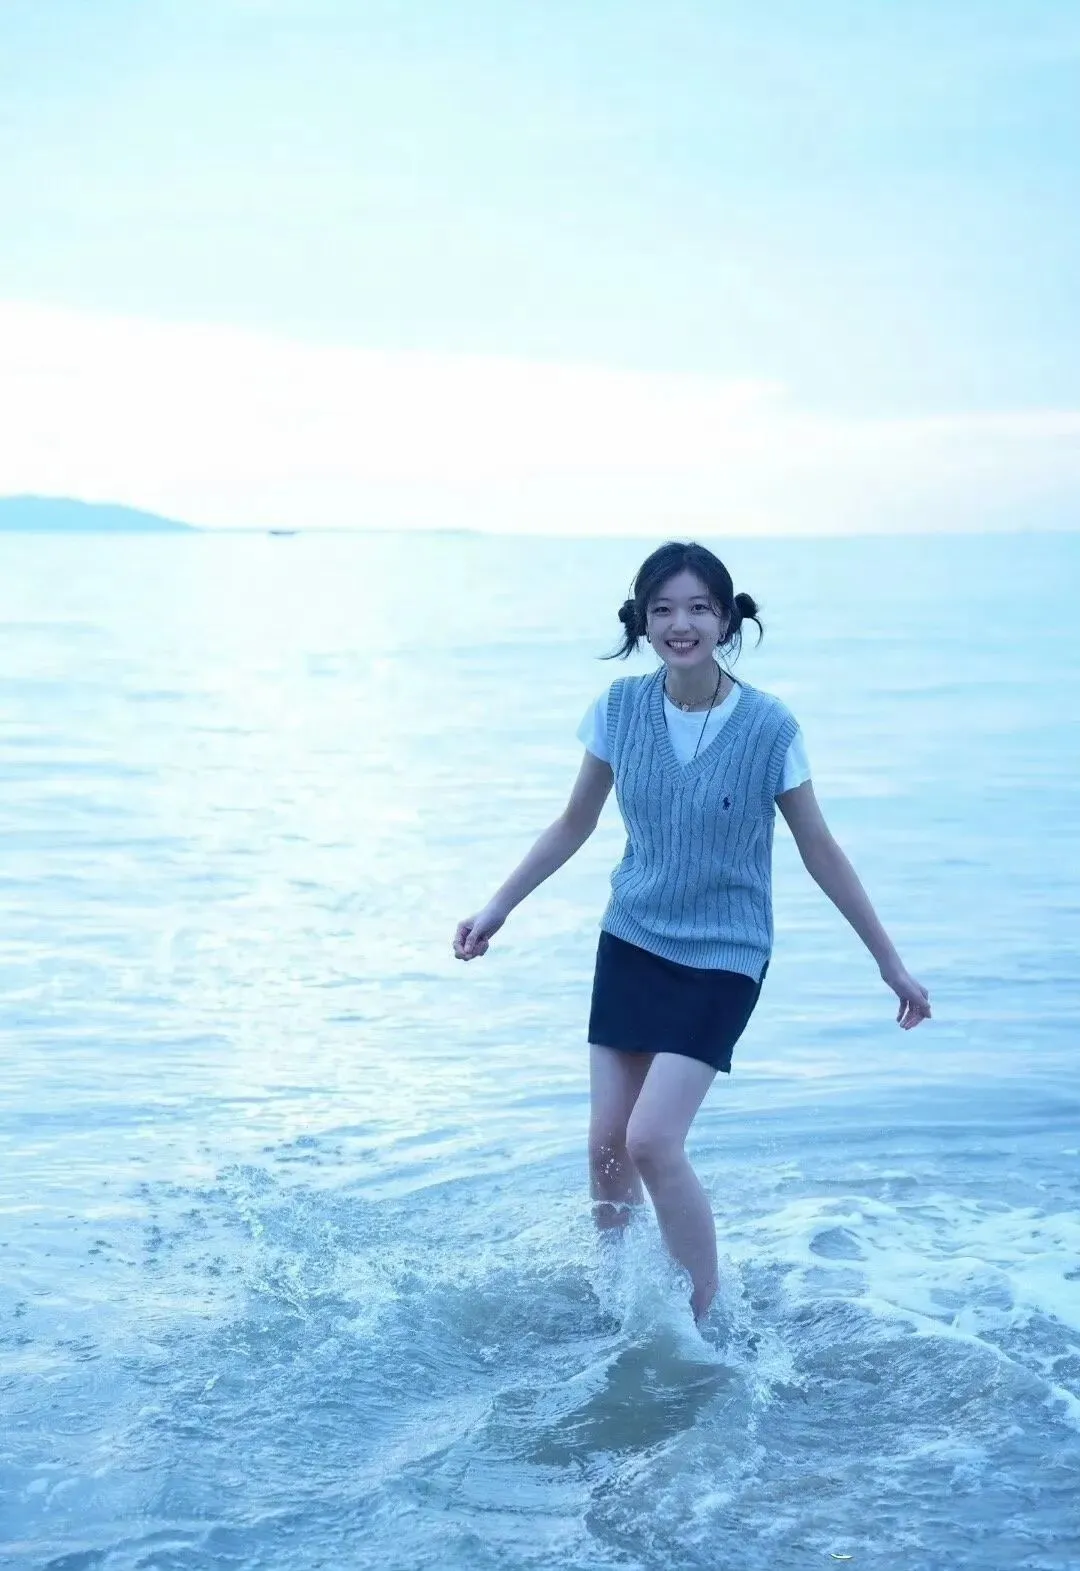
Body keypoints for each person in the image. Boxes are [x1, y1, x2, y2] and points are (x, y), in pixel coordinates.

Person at [453, 540, 930, 1323]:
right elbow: (574, 822)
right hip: (633, 938)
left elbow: (819, 848)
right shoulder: (618, 710)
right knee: (606, 1145)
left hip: (724, 955)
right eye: (664, 609)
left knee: (651, 1140)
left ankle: (703, 1323)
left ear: (726, 620)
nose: (681, 623)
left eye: (699, 608)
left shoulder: (769, 727)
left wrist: (890, 963)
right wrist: (498, 906)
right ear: (642, 622)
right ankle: (620, 1301)